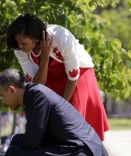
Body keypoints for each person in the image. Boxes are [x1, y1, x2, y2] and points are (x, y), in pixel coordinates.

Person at [7, 13, 109, 141]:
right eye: (18, 42)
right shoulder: (20, 48)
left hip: (78, 75)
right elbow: (38, 85)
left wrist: (62, 107)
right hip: (48, 77)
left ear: (35, 39)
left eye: (23, 43)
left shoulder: (61, 37)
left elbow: (73, 76)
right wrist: (44, 58)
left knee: (71, 121)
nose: (20, 46)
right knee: (51, 125)